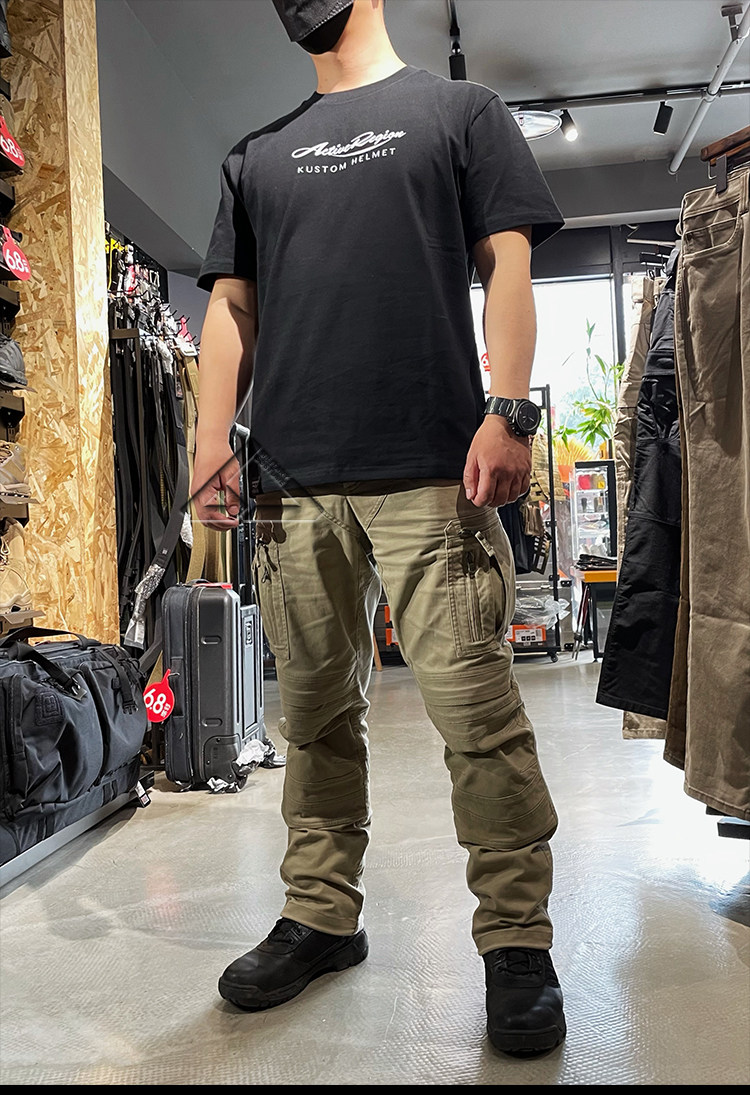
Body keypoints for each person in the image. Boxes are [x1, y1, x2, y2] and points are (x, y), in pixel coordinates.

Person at [192, 0, 566, 1058]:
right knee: (313, 716)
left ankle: (516, 940)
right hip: (292, 482)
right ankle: (320, 914)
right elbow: (232, 307)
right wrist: (209, 442)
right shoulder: (255, 156)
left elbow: (507, 263)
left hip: (434, 471)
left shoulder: (461, 112)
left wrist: (510, 409)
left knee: (478, 719)